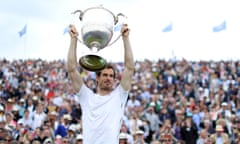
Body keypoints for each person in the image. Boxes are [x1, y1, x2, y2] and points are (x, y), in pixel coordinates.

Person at [67, 24, 134, 144]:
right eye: (105, 75)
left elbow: (129, 68)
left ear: (114, 80)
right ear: (97, 77)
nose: (108, 78)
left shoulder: (119, 96)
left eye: (111, 76)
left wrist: (126, 38)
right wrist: (73, 40)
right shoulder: (86, 96)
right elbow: (72, 69)